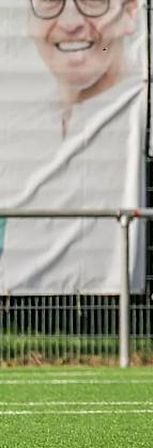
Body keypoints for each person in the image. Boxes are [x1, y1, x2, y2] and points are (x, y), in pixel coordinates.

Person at [1, 0, 143, 293]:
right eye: (49, 2)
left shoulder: (134, 112)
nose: (69, 22)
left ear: (130, 13)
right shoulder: (24, 119)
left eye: (93, 2)